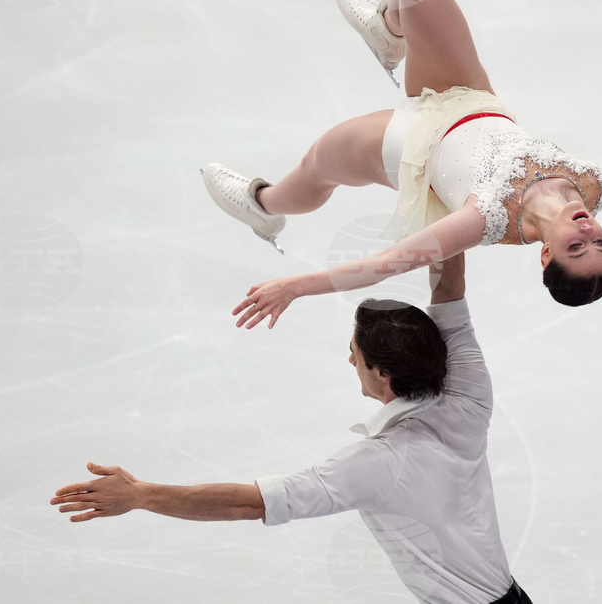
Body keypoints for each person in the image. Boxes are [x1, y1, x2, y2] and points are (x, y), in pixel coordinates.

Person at [50, 253, 534, 603]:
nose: (349, 359)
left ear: (383, 374)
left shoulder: (378, 465)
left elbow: (251, 503)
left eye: (356, 353)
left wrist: (142, 495)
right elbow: (449, 289)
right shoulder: (469, 394)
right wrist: (443, 200)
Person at [205, 0, 602, 329]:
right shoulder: (595, 184)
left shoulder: (487, 218)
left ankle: (263, 207)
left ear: (546, 254)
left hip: (408, 144)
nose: (587, 232)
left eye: (576, 248)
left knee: (316, 164)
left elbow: (387, 263)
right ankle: (388, 33)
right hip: (469, 94)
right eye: (599, 243)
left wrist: (295, 287)